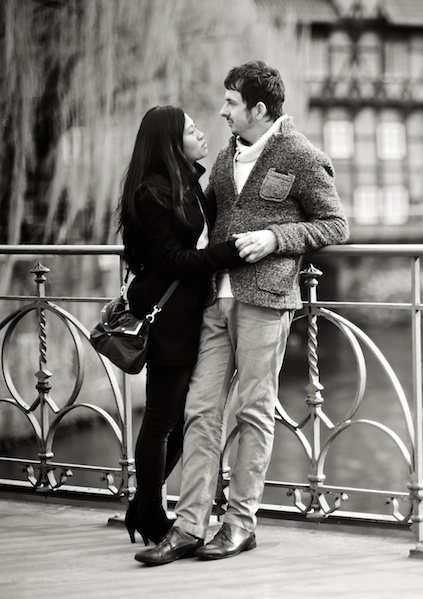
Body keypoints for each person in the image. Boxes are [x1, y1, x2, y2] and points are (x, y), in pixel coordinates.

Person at [135, 60, 349, 565]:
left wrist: (277, 237)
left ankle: (239, 524)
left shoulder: (300, 155)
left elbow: (335, 225)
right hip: (214, 299)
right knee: (200, 411)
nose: (222, 111)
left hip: (265, 301)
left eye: (231, 103)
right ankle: (188, 527)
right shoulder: (229, 154)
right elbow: (199, 213)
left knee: (253, 410)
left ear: (258, 108)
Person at [118, 106, 248, 545]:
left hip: (195, 314)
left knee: (185, 416)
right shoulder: (151, 194)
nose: (202, 134)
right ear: (173, 142)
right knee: (161, 419)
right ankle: (151, 513)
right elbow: (170, 260)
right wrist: (229, 253)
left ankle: (142, 506)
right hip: (169, 319)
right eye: (192, 130)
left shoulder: (186, 183)